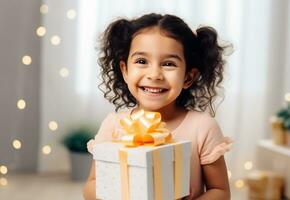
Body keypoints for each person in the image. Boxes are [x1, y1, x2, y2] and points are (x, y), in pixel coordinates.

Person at [83, 13, 233, 200]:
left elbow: (220, 191)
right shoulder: (113, 125)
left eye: (168, 64)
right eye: (141, 61)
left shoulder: (202, 127)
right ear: (125, 70)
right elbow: (91, 185)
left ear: (188, 77)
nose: (154, 75)